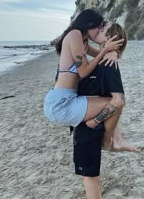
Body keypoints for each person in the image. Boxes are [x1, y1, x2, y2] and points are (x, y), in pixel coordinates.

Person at [74, 22, 142, 199]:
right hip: (88, 120)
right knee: (91, 167)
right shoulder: (104, 59)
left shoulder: (108, 65)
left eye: (103, 31)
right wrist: (110, 52)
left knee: (88, 172)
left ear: (111, 40)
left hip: (91, 123)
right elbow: (81, 45)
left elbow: (119, 100)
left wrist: (96, 120)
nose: (98, 30)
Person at [44, 9, 126, 149]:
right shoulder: (74, 35)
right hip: (61, 103)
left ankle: (115, 139)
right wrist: (106, 51)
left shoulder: (83, 41)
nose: (99, 31)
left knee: (114, 101)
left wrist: (113, 54)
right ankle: (108, 142)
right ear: (89, 25)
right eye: (98, 27)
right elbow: (83, 72)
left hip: (67, 98)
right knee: (116, 102)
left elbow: (100, 54)